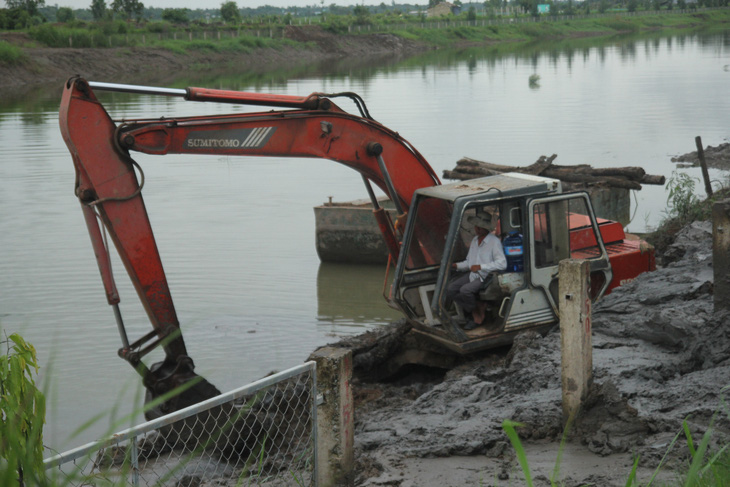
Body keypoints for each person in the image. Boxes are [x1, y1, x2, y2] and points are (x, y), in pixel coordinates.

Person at [446, 212, 507, 331]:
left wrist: (481, 267)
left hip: (486, 276)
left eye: (480, 227)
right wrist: (455, 265)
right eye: (476, 226)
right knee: (451, 289)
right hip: (473, 274)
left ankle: (475, 317)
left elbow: (502, 263)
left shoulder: (494, 242)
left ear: (486, 227)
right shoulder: (474, 240)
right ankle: (477, 308)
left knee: (465, 290)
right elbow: (469, 263)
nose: (477, 229)